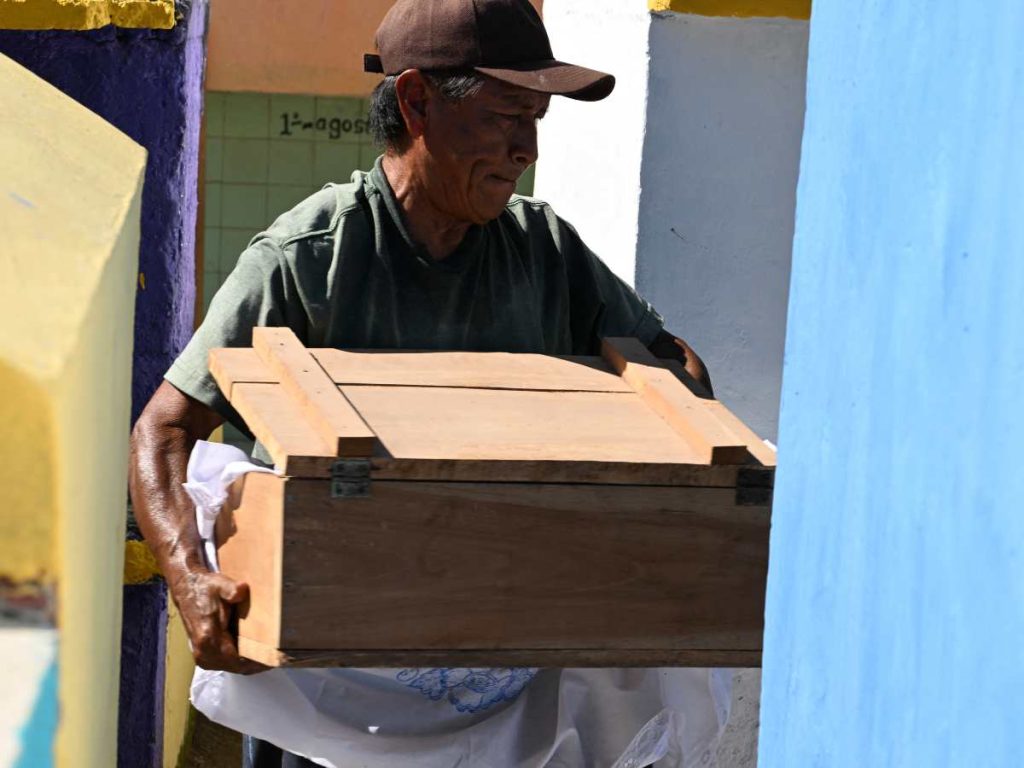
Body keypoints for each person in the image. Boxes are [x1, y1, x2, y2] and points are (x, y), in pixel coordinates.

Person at [129, 0, 723, 765]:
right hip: (336, 693)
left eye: (537, 119)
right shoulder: (307, 259)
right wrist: (189, 575)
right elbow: (166, 430)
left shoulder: (544, 251)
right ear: (415, 102)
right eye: (509, 113)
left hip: (503, 678)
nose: (527, 148)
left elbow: (677, 371)